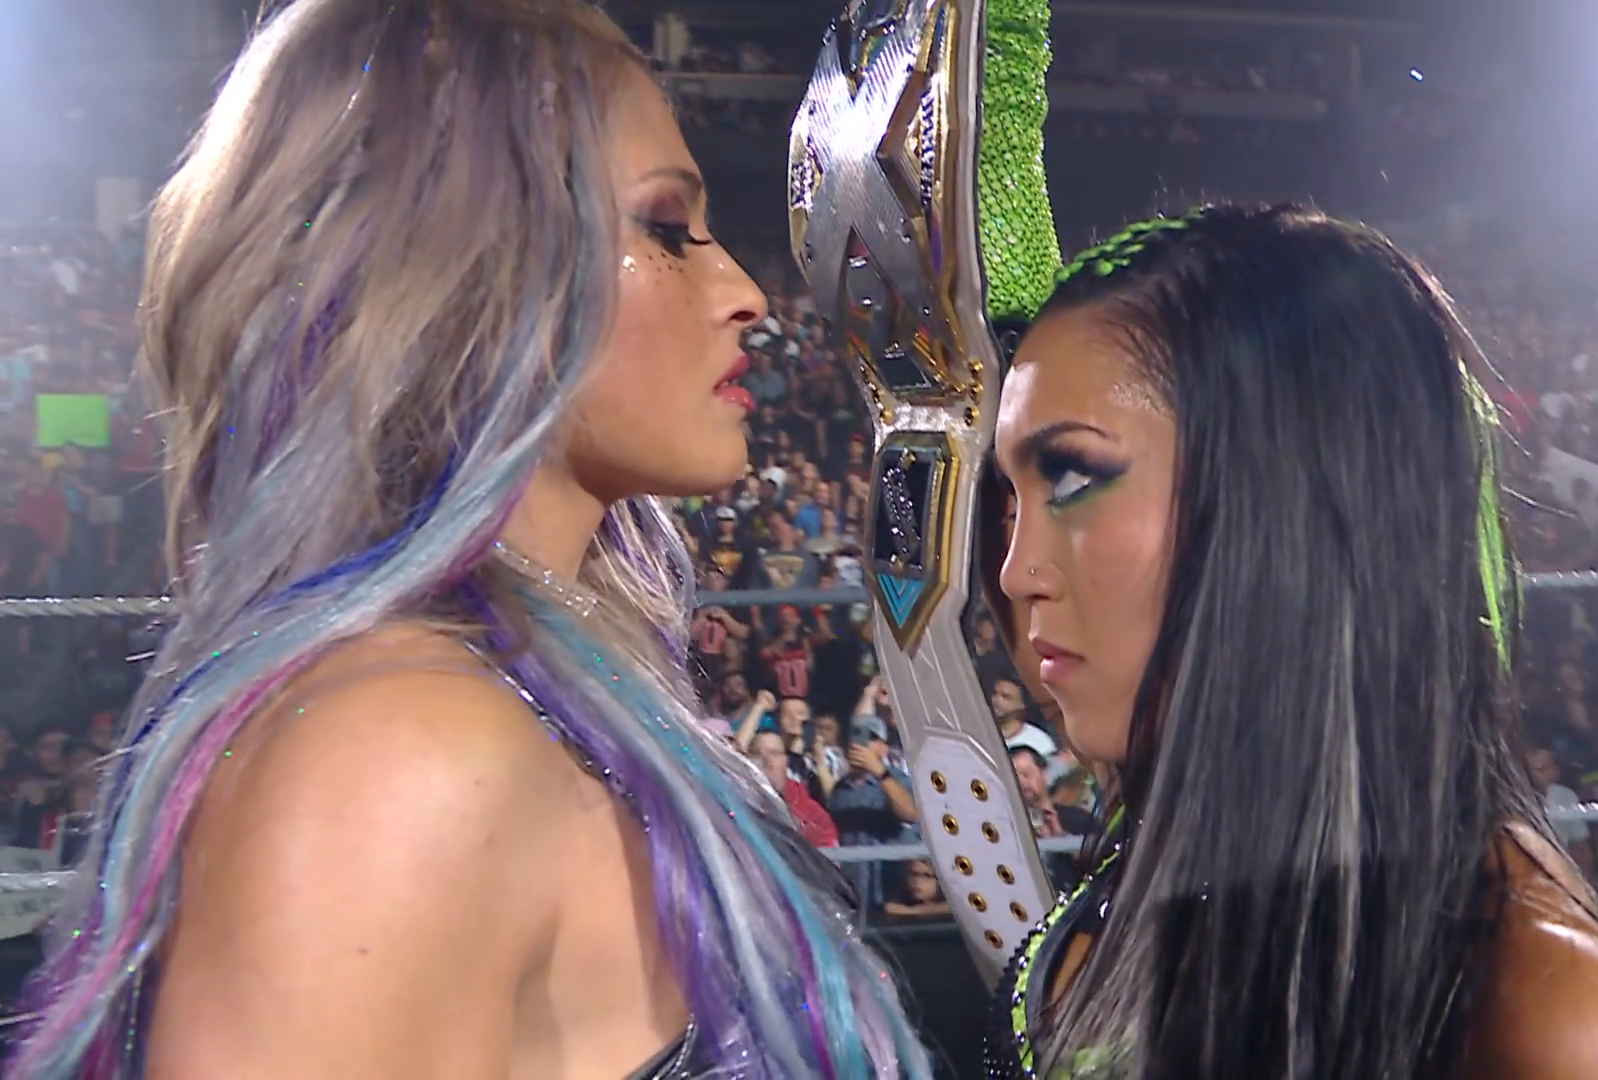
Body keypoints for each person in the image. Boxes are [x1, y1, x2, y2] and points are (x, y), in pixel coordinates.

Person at [7, 2, 930, 1077]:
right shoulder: (395, 758)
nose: (746, 294)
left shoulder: (522, 695)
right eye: (664, 227)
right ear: (462, 275)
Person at [975, 205, 1598, 1078]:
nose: (1016, 572)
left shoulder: (1552, 1013)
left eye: (1070, 478)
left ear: (1281, 491)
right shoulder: (1168, 840)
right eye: (1011, 500)